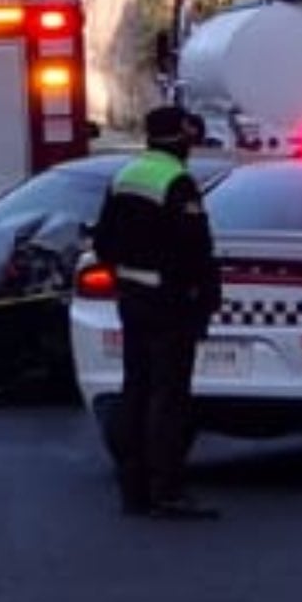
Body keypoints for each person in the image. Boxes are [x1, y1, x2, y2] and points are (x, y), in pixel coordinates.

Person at [92, 105, 222, 519]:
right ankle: (167, 490)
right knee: (169, 396)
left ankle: (134, 491)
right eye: (188, 134)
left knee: (137, 389)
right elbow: (196, 250)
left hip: (132, 296)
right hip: (170, 300)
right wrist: (203, 298)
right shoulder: (177, 182)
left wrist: (128, 275)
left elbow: (103, 243)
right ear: (179, 136)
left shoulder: (126, 176)